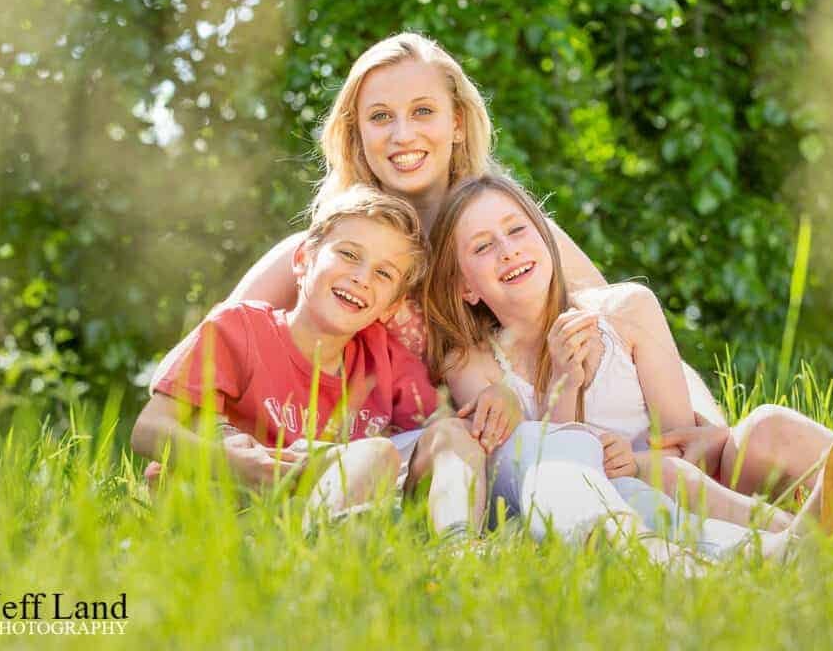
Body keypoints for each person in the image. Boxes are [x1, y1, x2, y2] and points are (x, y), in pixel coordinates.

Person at [148, 32, 618, 536]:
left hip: (465, 452)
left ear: (457, 123)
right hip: (317, 462)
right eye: (379, 117)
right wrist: (225, 458)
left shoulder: (505, 229)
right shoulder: (314, 254)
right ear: (358, 135)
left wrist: (658, 431)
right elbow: (200, 380)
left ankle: (500, 538)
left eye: (422, 112)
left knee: (528, 454)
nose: (402, 135)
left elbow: (614, 320)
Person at [423, 174, 833, 545]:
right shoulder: (471, 363)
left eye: (517, 230)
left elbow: (684, 444)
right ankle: (801, 538)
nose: (507, 251)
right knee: (663, 476)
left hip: (682, 478)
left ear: (547, 240)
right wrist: (568, 382)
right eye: (483, 246)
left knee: (768, 425)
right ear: (465, 286)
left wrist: (640, 459)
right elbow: (550, 464)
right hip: (613, 505)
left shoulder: (626, 310)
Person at [131, 186, 439, 523]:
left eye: (383, 273)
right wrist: (235, 465)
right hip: (215, 495)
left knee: (384, 453)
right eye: (349, 254)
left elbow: (434, 433)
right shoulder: (240, 327)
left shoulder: (382, 359)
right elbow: (148, 430)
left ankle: (321, 536)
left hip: (301, 498)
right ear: (303, 260)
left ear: (391, 305)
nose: (361, 277)